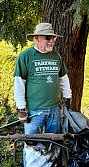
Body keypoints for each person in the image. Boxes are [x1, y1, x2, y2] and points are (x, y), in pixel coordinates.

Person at [13, 23, 72, 166]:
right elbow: (19, 84)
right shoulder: (26, 57)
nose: (51, 41)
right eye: (47, 38)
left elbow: (63, 78)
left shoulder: (56, 56)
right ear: (37, 38)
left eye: (53, 38)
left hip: (54, 110)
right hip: (34, 111)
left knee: (54, 144)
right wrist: (21, 109)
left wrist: (68, 97)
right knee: (31, 145)